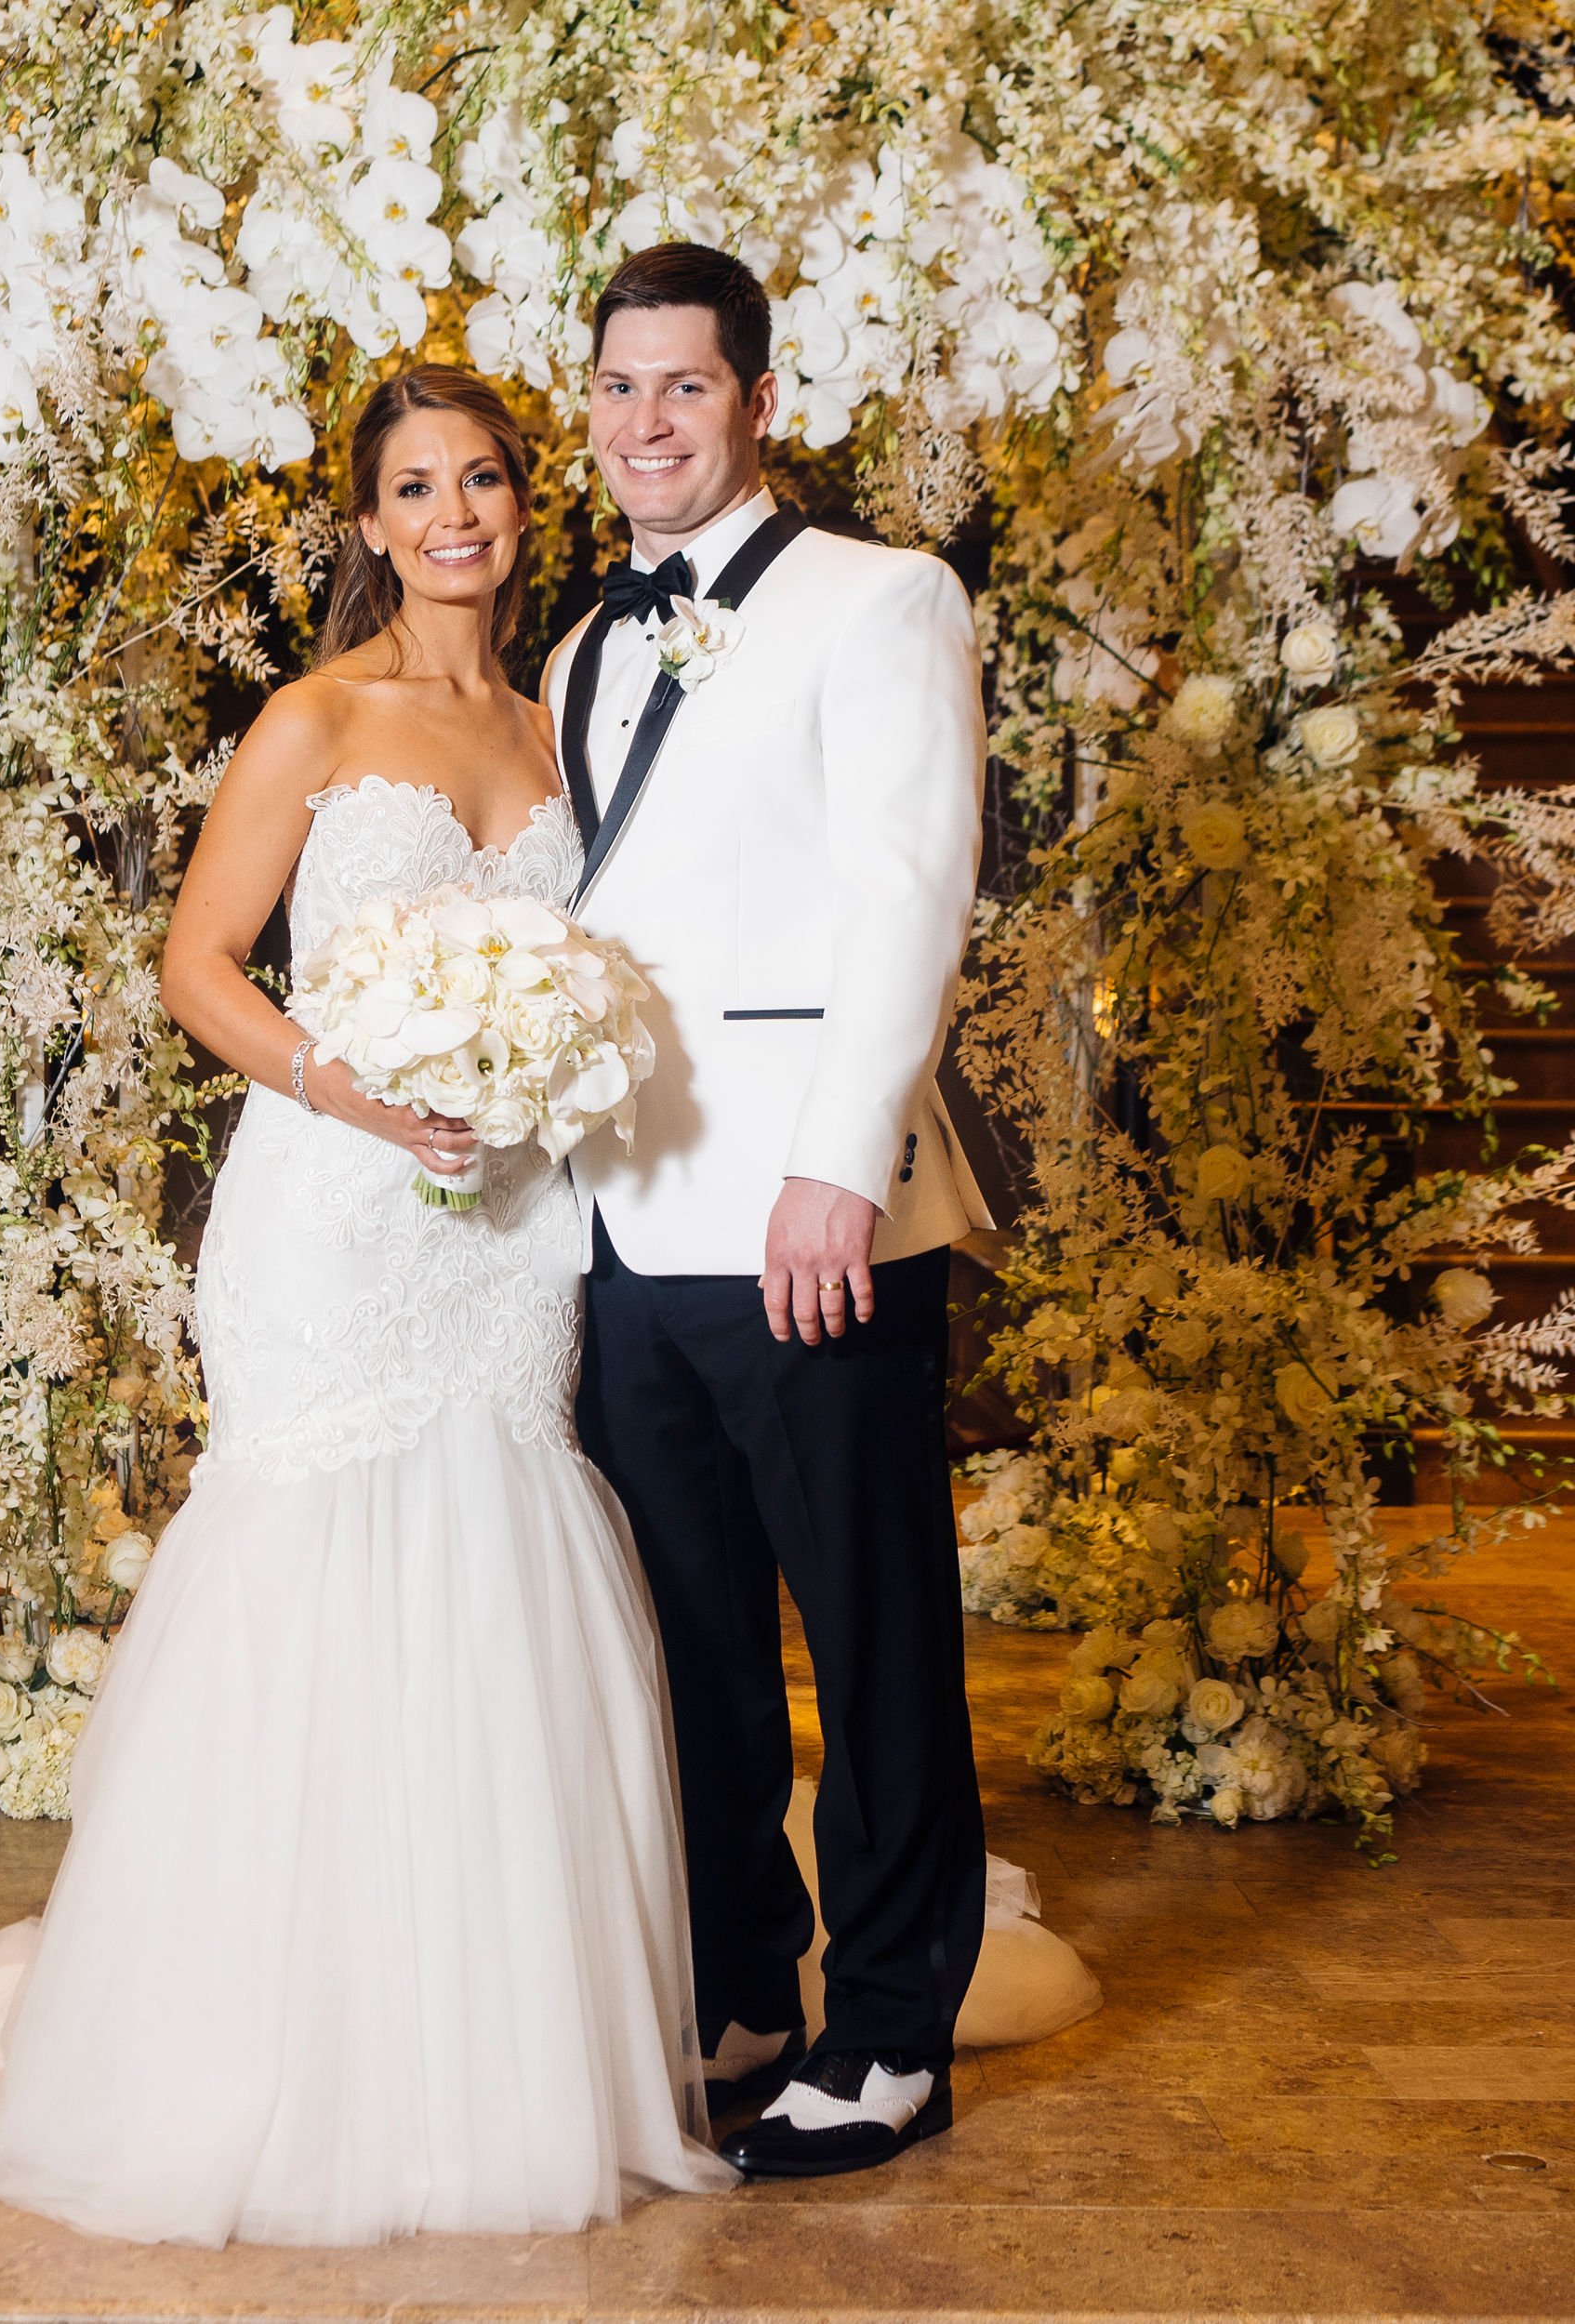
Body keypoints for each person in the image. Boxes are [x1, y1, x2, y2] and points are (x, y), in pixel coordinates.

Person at [0, 365, 737, 2245]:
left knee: (499, 1550)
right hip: (334, 1206)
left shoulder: (569, 716)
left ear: (524, 501)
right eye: (415, 487)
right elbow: (198, 963)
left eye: (484, 479)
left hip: (512, 1224)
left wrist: (537, 1073)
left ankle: (481, 2052)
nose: (455, 515)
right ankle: (253, 2039)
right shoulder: (312, 718)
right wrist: (352, 1083)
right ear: (367, 523)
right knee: (321, 1558)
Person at [548, 242, 999, 2180]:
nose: (646, 423)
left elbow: (908, 887)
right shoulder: (574, 639)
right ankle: (744, 1986)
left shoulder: (878, 595)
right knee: (694, 1637)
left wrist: (843, 1160)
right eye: (616, 389)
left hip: (810, 1214)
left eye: (684, 388)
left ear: (751, 399)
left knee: (871, 1629)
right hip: (618, 1219)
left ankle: (892, 2028)